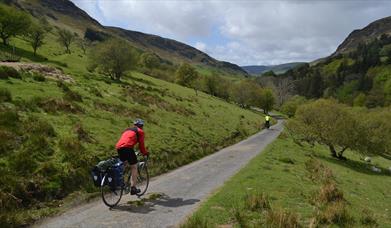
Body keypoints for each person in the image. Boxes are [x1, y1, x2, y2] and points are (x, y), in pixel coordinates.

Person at [115, 119, 148, 195]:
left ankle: (122, 182)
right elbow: (141, 145)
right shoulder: (140, 131)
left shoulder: (127, 130)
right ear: (141, 126)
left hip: (119, 147)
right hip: (128, 148)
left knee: (125, 164)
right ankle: (133, 188)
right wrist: (145, 153)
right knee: (134, 166)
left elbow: (127, 139)